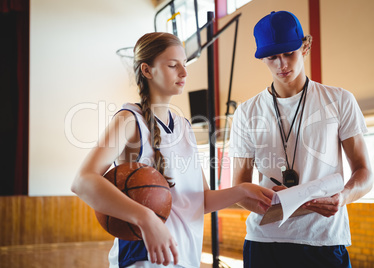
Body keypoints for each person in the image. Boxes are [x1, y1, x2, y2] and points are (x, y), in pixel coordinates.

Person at [71, 32, 274, 268]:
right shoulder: (130, 120)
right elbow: (82, 181)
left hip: (184, 257)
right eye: (172, 65)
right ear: (147, 70)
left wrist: (243, 190)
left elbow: (201, 201)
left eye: (184, 64)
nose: (184, 72)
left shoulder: (184, 127)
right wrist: (146, 218)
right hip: (144, 258)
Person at [229, 11, 373, 267]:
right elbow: (239, 187)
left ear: (305, 46)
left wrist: (343, 197)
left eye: (289, 53)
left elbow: (365, 172)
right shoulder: (246, 112)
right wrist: (264, 200)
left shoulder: (339, 100)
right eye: (272, 57)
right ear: (262, 58)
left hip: (324, 240)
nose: (282, 64)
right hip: (265, 242)